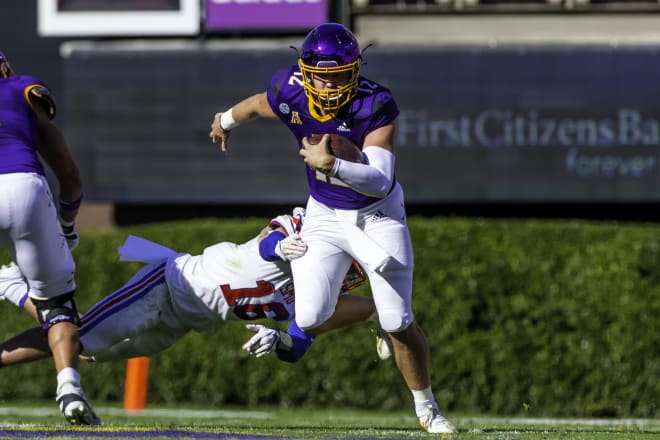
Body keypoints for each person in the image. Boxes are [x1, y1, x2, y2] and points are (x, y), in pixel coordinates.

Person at [208, 23, 456, 434]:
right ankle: (369, 311)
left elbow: (380, 178)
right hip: (323, 213)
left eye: (337, 75)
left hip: (378, 215)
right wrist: (226, 122)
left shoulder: (374, 102)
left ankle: (426, 408)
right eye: (319, 74)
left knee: (399, 322)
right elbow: (256, 104)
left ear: (354, 71)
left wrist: (335, 165)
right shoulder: (290, 89)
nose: (326, 84)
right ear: (303, 71)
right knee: (308, 316)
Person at [0, 208, 377, 368]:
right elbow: (269, 242)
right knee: (77, 336)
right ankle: (12, 285)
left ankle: (15, 288)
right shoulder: (303, 236)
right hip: (168, 282)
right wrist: (279, 247)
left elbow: (298, 347)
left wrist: (277, 340)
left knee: (80, 350)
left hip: (183, 323)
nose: (344, 276)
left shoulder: (315, 297)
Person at [0, 50, 100, 425]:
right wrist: (68, 224)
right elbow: (68, 173)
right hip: (21, 188)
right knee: (59, 306)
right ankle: (69, 388)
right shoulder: (20, 89)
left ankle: (10, 282)